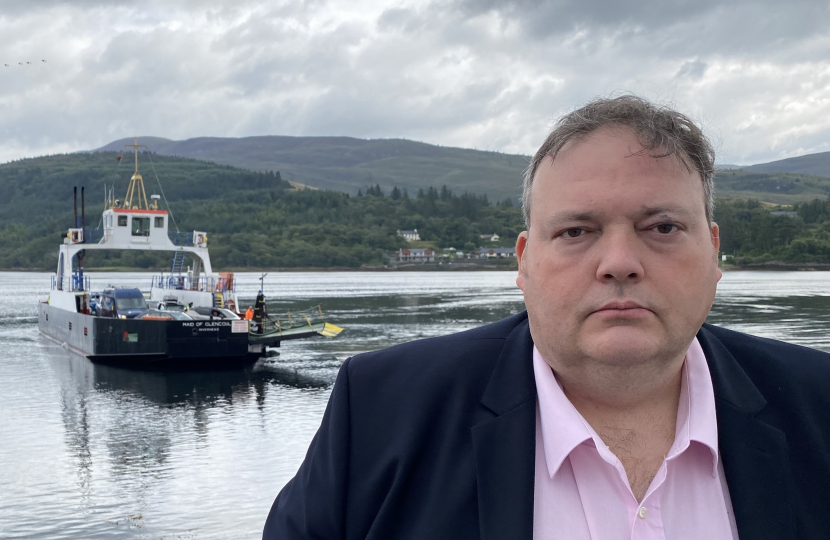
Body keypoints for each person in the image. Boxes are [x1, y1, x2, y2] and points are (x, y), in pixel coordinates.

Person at [263, 96, 830, 539]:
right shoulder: (383, 410)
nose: (619, 263)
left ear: (713, 252)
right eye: (575, 231)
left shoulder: (819, 405)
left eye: (661, 227)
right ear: (524, 260)